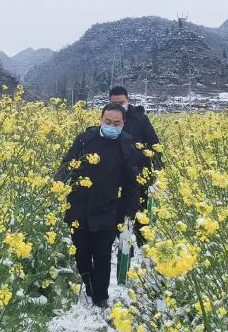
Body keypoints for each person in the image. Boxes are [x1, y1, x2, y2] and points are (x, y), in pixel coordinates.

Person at [55, 103, 141, 308]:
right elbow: (67, 165)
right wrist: (58, 184)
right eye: (107, 121)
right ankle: (89, 285)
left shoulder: (126, 145)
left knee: (102, 255)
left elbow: (132, 182)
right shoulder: (85, 139)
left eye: (116, 123)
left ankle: (101, 297)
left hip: (107, 208)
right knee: (82, 254)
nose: (111, 126)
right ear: (101, 119)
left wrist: (129, 210)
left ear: (123, 124)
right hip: (79, 207)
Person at [107, 86, 162, 242]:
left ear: (128, 100)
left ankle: (142, 244)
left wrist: (158, 169)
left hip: (139, 172)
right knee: (117, 209)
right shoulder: (108, 118)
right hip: (117, 173)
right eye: (114, 103)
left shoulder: (140, 118)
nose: (118, 105)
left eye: (121, 102)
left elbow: (154, 143)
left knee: (140, 210)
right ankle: (120, 244)